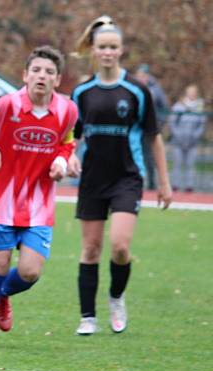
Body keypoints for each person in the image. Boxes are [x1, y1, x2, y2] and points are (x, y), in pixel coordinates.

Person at [0, 46, 78, 348]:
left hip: (40, 204)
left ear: (58, 79)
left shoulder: (68, 110)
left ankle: (2, 294)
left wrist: (63, 161)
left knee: (30, 271)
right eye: (36, 70)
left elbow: (67, 143)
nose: (42, 76)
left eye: (49, 72)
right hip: (3, 202)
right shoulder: (6, 106)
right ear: (25, 75)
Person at [71, 16, 172, 336]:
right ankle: (88, 317)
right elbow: (70, 137)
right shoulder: (82, 92)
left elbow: (153, 136)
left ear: (121, 50)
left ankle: (116, 297)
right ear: (93, 50)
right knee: (90, 249)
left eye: (113, 47)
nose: (108, 52)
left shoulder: (137, 91)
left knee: (119, 247)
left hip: (127, 178)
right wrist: (69, 157)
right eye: (102, 47)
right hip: (92, 180)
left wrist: (165, 183)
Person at [134, 64, 169, 190]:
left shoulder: (156, 90)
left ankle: (152, 182)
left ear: (148, 76)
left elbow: (164, 107)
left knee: (149, 155)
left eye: (143, 75)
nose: (140, 78)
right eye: (138, 76)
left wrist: (159, 124)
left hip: (149, 127)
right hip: (135, 127)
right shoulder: (133, 86)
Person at [169, 84, 206, 193]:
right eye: (190, 92)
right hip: (178, 141)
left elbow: (202, 125)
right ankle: (175, 185)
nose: (192, 95)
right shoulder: (178, 106)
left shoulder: (200, 107)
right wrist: (178, 135)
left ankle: (189, 186)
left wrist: (195, 136)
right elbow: (172, 123)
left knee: (190, 165)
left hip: (192, 143)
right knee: (177, 164)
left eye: (193, 93)